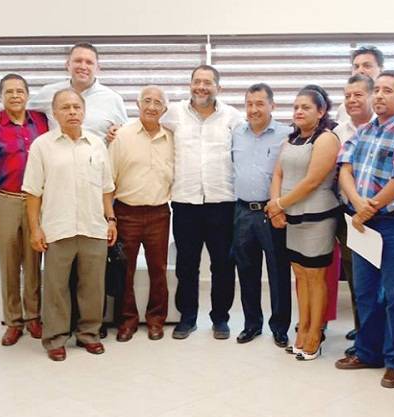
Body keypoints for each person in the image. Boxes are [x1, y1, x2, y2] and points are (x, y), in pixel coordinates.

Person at [334, 70, 394, 388]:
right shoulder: (363, 131)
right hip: (362, 224)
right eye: (376, 90)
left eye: (388, 91)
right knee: (365, 292)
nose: (379, 96)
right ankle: (367, 352)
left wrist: (368, 207)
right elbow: (345, 169)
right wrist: (358, 204)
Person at [22, 88, 117, 361]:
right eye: (65, 107)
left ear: (84, 111)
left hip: (93, 227)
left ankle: (89, 334)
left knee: (93, 287)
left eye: (77, 107)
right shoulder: (42, 145)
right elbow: (32, 192)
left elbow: (106, 187)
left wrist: (111, 219)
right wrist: (35, 229)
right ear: (54, 113)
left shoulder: (96, 144)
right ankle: (55, 338)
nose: (72, 112)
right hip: (57, 227)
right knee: (56, 288)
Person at [162, 64, 243, 340]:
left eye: (207, 82)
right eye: (197, 81)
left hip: (223, 202)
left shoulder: (233, 117)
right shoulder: (174, 113)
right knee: (186, 265)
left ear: (218, 87)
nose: (201, 87)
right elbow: (149, 129)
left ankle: (220, 319)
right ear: (190, 85)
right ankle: (187, 318)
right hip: (185, 202)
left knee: (223, 265)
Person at [0, 73, 49, 346]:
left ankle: (34, 317)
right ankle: (14, 321)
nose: (15, 96)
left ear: (27, 95)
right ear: (1, 96)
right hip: (4, 201)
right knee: (9, 264)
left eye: (20, 91)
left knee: (34, 262)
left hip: (37, 201)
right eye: (9, 92)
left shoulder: (41, 121)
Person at [265, 86, 340, 360]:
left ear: (321, 111)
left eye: (306, 107)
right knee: (300, 275)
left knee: (316, 276)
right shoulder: (291, 139)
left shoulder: (326, 139)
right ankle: (302, 328)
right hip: (291, 216)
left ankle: (314, 334)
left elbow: (312, 181)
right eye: (296, 107)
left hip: (317, 216)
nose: (299, 111)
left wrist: (279, 204)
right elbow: (277, 174)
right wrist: (276, 206)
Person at [108, 86, 174, 341]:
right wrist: (110, 217)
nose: (152, 107)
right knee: (125, 270)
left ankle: (156, 319)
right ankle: (127, 320)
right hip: (126, 213)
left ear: (165, 109)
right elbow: (108, 180)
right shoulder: (122, 136)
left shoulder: (171, 138)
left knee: (159, 269)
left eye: (158, 103)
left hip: (159, 213)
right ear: (138, 105)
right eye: (147, 101)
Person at [231, 83, 293, 347]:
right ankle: (252, 324)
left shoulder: (287, 134)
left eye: (260, 103)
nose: (254, 109)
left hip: (272, 211)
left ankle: (279, 327)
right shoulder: (237, 133)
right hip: (242, 211)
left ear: (272, 105)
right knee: (246, 271)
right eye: (249, 104)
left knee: (278, 271)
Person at [0, 42, 127, 139]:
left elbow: (125, 132)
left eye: (89, 62)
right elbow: (20, 105)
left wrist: (119, 131)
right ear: (67, 65)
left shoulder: (113, 99)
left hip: (95, 171)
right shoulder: (50, 92)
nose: (83, 66)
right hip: (57, 170)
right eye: (78, 61)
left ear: (98, 68)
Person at [333, 74, 374, 354]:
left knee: (378, 283)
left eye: (358, 95)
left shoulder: (386, 128)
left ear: (372, 96)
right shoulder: (340, 132)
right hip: (347, 213)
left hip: (379, 214)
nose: (351, 100)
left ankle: (375, 336)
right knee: (356, 278)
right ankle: (363, 333)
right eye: (347, 96)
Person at [334, 46, 394, 125]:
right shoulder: (345, 107)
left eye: (367, 66)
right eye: (356, 67)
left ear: (381, 69)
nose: (360, 71)